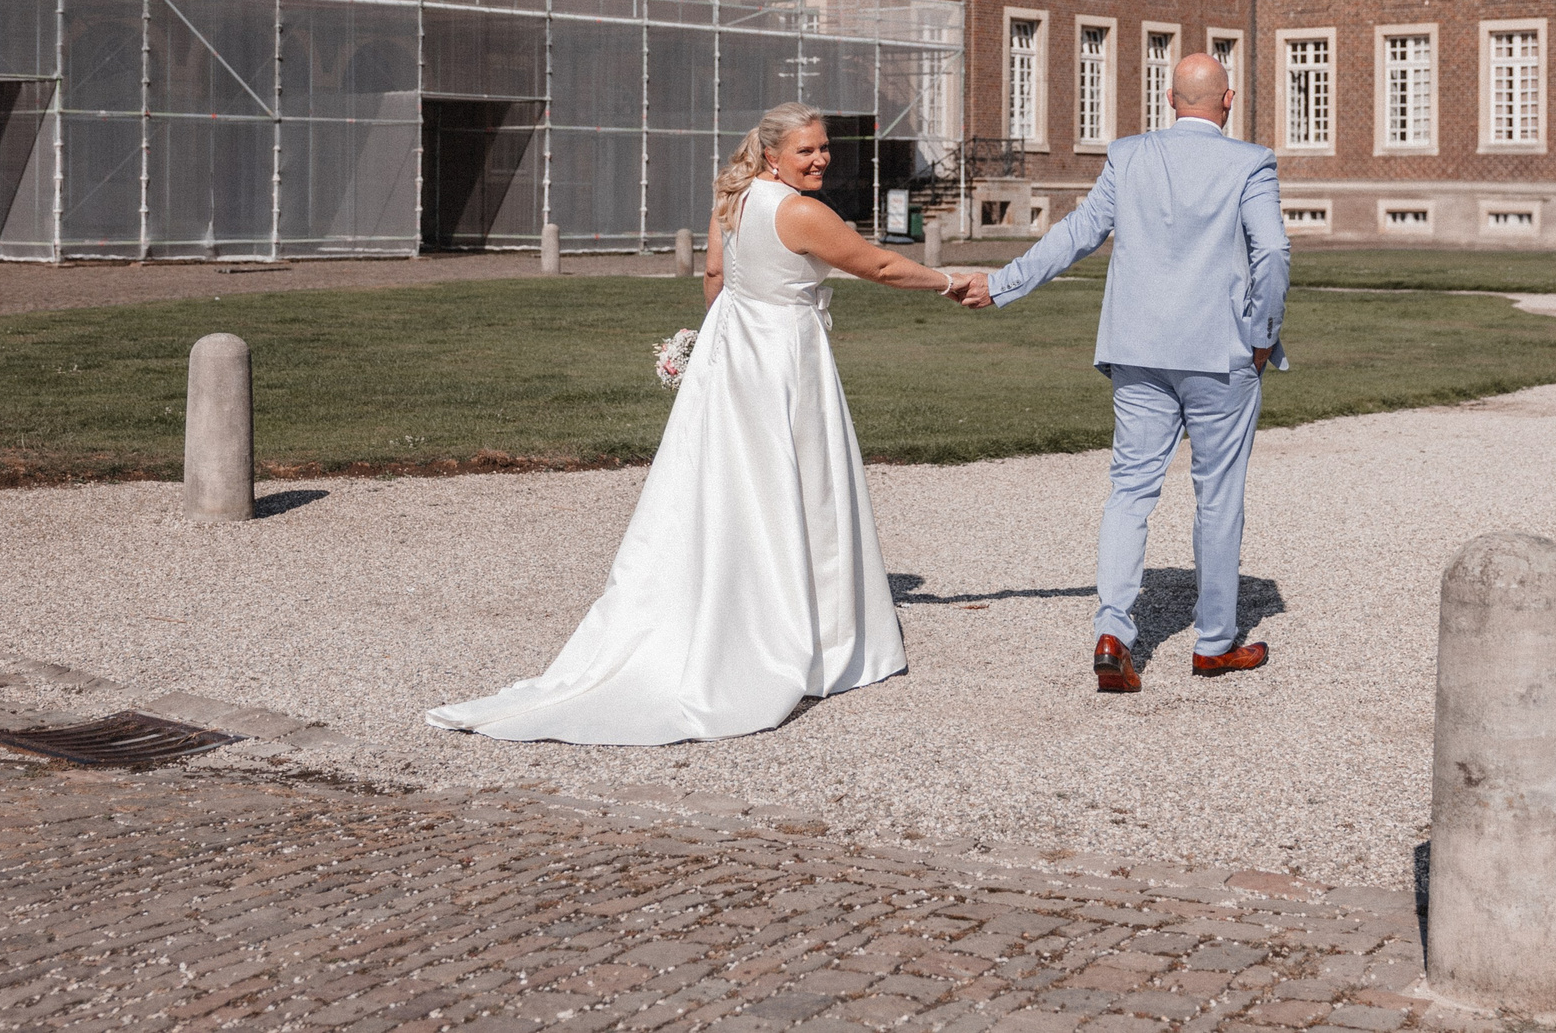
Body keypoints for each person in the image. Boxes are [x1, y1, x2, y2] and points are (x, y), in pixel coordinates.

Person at [427, 102, 965, 744]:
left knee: (723, 486)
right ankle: (795, 629)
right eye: (806, 151)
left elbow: (716, 277)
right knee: (796, 483)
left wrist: (717, 348)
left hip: (734, 353)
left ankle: (722, 599)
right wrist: (953, 280)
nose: (820, 158)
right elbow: (878, 266)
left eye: (824, 148)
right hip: (783, 360)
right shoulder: (798, 211)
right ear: (774, 155)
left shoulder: (733, 200)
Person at [960, 53, 1288, 695]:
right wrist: (1261, 335)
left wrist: (1001, 284)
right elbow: (1273, 250)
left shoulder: (1129, 154)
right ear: (1229, 100)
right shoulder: (1251, 161)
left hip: (1137, 349)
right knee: (1217, 495)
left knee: (1131, 490)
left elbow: (1078, 232)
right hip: (1220, 355)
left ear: (1169, 99)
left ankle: (1112, 633)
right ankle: (1215, 644)